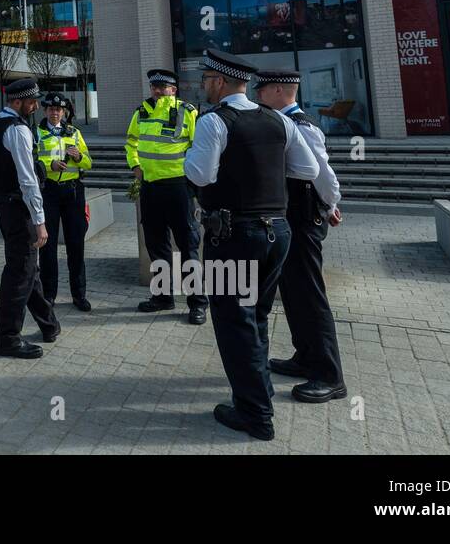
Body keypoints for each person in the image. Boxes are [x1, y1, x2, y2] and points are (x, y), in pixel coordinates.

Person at [184, 49, 318, 441]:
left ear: (220, 82)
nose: (204, 85)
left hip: (234, 234)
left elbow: (202, 175)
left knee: (233, 322)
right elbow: (308, 169)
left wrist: (190, 156)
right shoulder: (277, 120)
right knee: (255, 316)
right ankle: (260, 394)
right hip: (278, 231)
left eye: (207, 79)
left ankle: (255, 413)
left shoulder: (214, 122)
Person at [255, 69, 347, 404]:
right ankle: (305, 356)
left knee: (310, 296)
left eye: (262, 90)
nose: (257, 95)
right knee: (292, 292)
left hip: (303, 220)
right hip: (289, 217)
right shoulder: (282, 122)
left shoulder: (301, 125)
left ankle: (329, 375)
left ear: (279, 90)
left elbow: (325, 176)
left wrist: (329, 205)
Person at [0, 78, 60, 359]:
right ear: (17, 102)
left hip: (4, 204)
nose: (36, 106)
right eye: (32, 102)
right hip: (19, 207)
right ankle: (7, 337)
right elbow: (29, 180)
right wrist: (40, 220)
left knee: (27, 267)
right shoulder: (18, 130)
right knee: (19, 272)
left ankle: (49, 324)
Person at [127, 68, 207, 324]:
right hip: (151, 187)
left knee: (188, 245)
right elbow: (131, 142)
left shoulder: (188, 112)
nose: (158, 91)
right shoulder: (141, 112)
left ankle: (197, 303)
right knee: (156, 245)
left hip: (178, 187)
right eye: (154, 87)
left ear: (174, 89)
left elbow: (198, 147)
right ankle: (163, 297)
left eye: (163, 87)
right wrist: (135, 166)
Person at [35, 92, 94, 312]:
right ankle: (49, 294)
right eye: (51, 109)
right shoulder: (37, 133)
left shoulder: (75, 133)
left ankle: (79, 295)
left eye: (58, 110)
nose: (55, 113)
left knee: (76, 244)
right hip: (48, 192)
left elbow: (88, 163)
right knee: (47, 246)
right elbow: (32, 162)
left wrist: (79, 157)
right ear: (45, 111)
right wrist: (50, 165)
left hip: (73, 192)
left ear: (64, 112)